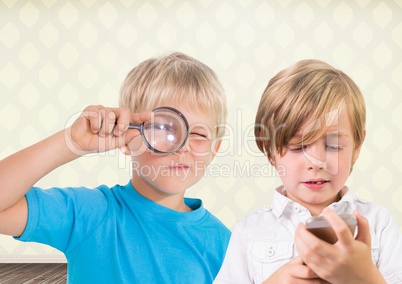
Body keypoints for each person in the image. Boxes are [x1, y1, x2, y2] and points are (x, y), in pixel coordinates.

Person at [0, 52, 231, 283]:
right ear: (127, 136)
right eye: (162, 129)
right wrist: (71, 142)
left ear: (214, 149)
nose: (183, 147)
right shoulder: (90, 213)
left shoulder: (223, 243)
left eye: (199, 134)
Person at [214, 59, 402, 283]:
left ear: (357, 147)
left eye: (333, 146)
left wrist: (365, 277)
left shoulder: (378, 223)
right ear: (270, 150)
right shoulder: (249, 231)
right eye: (298, 147)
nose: (317, 162)